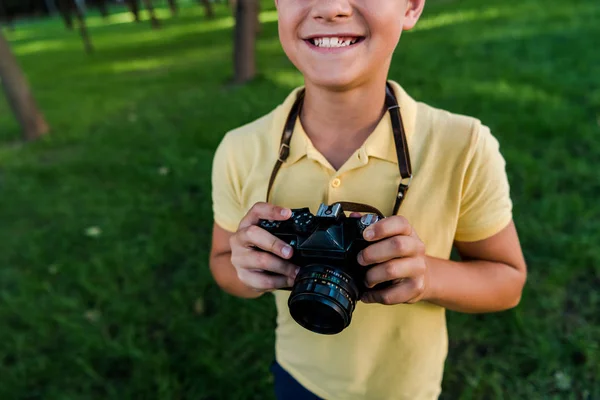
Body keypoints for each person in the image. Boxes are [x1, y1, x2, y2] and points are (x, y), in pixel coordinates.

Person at [209, 0, 528, 399]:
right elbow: (222, 263)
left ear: (411, 7)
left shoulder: (462, 146)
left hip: (406, 388)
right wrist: (250, 270)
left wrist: (424, 275)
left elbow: (508, 282)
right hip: (298, 374)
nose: (331, 7)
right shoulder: (239, 150)